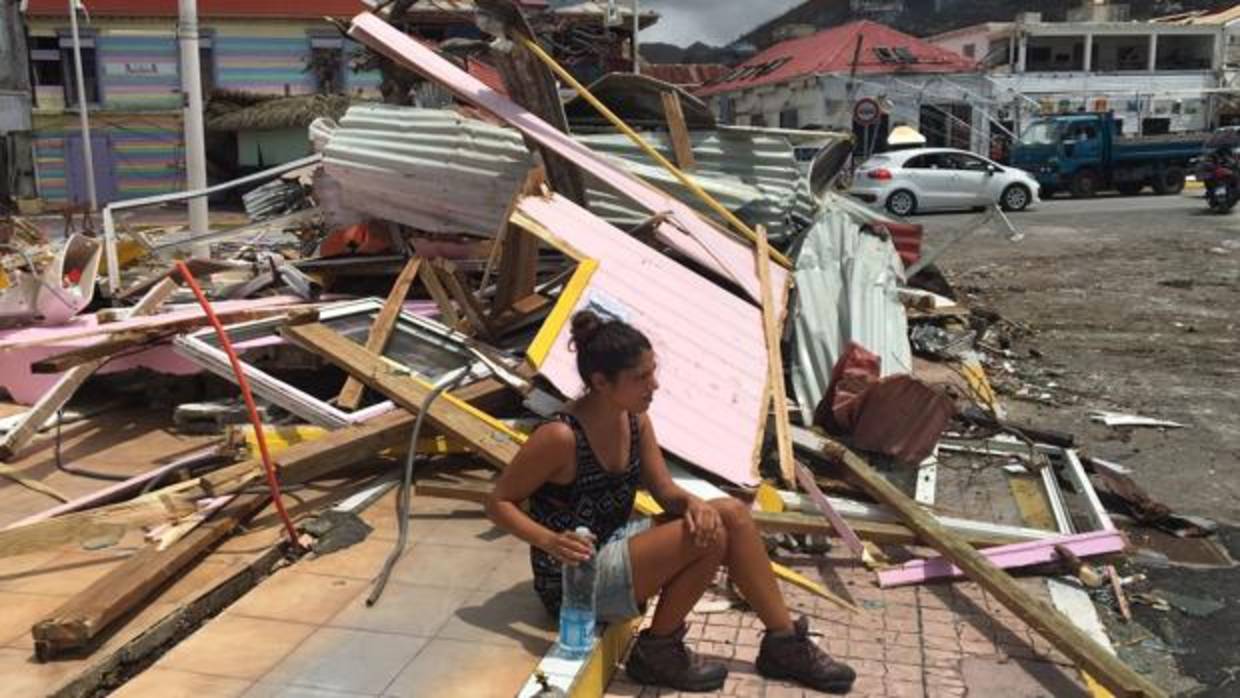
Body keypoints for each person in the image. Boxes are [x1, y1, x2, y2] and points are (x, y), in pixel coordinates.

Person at [485, 310, 857, 694]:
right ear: (600, 382)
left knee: (726, 514)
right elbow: (499, 502)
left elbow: (665, 492)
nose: (655, 385)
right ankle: (658, 650)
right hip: (573, 582)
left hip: (617, 548)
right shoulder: (560, 436)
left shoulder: (634, 420)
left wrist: (694, 503)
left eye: (653, 371)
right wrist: (549, 541)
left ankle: (784, 642)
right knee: (708, 537)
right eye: (641, 377)